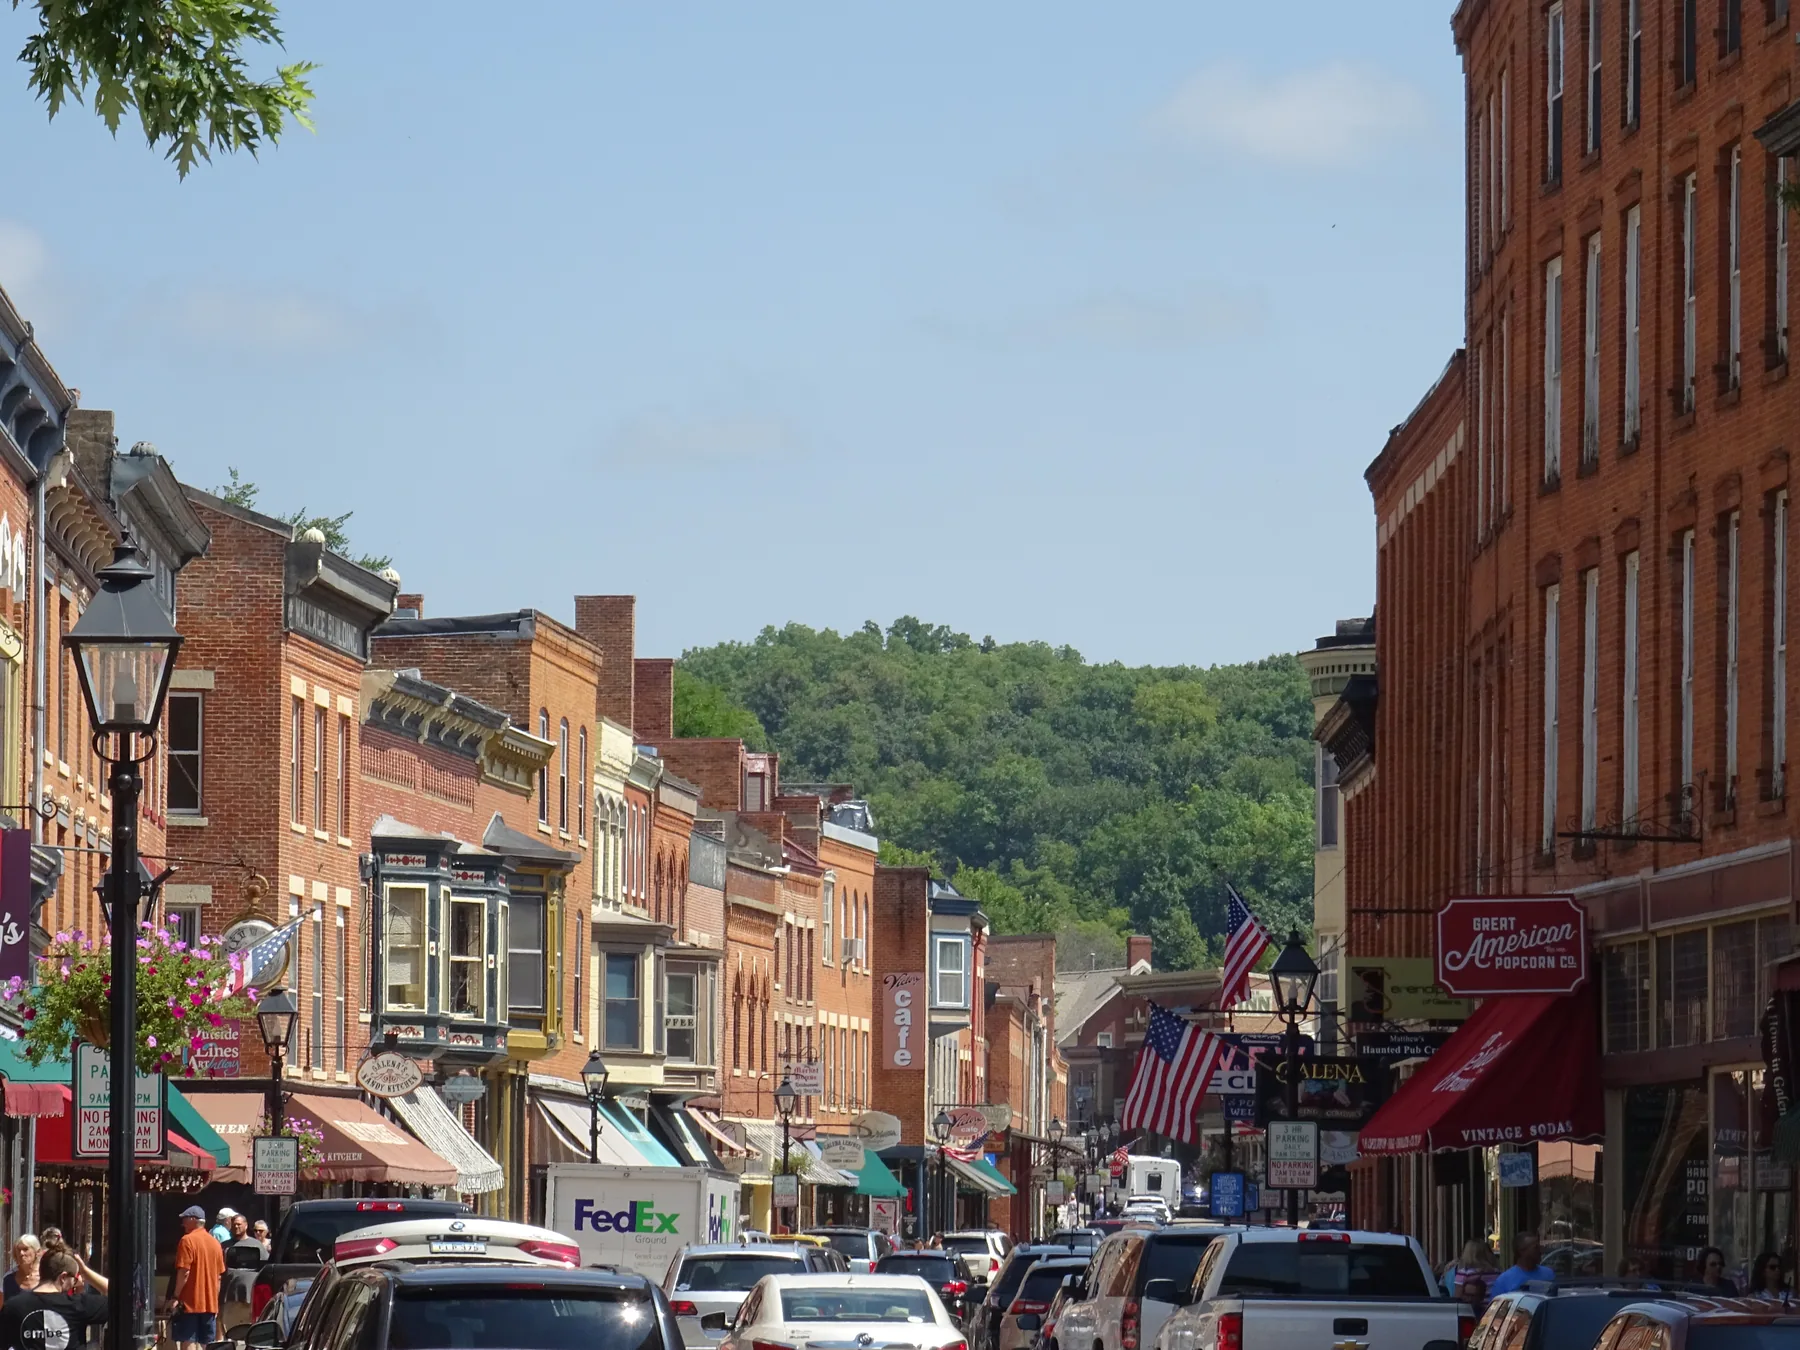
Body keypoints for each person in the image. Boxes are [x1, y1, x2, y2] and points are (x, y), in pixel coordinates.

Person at [0, 1249, 109, 1350]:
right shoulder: (79, 1304)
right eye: (75, 1279)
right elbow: (119, 1299)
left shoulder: (13, 1306)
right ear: (63, 1277)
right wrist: (85, 1272)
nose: (74, 1284)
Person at [164, 1205, 225, 1350]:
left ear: (194, 1220)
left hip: (189, 1303)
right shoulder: (215, 1244)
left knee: (188, 1340)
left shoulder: (187, 1241)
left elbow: (184, 1272)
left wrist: (176, 1297)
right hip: (209, 1304)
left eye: (185, 1219)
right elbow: (218, 1277)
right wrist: (214, 1301)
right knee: (207, 1342)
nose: (182, 1223)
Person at [220, 1215, 264, 1334]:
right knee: (231, 1332)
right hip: (229, 1297)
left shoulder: (257, 1246)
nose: (236, 1227)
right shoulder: (224, 1246)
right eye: (234, 1224)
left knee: (250, 1332)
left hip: (250, 1296)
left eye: (239, 1224)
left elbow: (265, 1268)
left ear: (246, 1225)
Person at [1487, 1232, 1555, 1296]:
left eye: (1540, 1247)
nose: (1540, 1251)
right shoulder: (1503, 1281)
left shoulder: (1549, 1274)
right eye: (1536, 1248)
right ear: (1521, 1251)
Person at [1, 1238, 40, 1303]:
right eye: (18, 1250)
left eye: (25, 1249)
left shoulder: (47, 1277)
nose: (21, 1253)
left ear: (37, 1252)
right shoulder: (8, 1280)